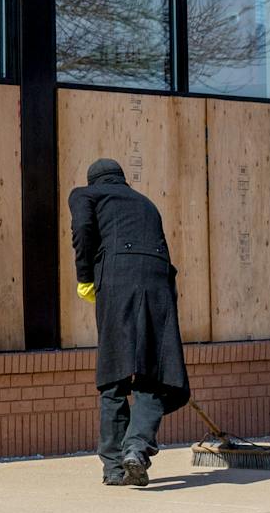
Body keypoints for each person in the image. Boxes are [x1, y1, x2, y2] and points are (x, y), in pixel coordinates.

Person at [68, 157, 190, 487]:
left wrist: (85, 277)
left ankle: (114, 468)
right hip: (157, 284)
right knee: (152, 372)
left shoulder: (85, 195)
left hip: (117, 281)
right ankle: (136, 448)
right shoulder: (147, 204)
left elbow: (82, 231)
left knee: (113, 376)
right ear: (123, 180)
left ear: (94, 181)